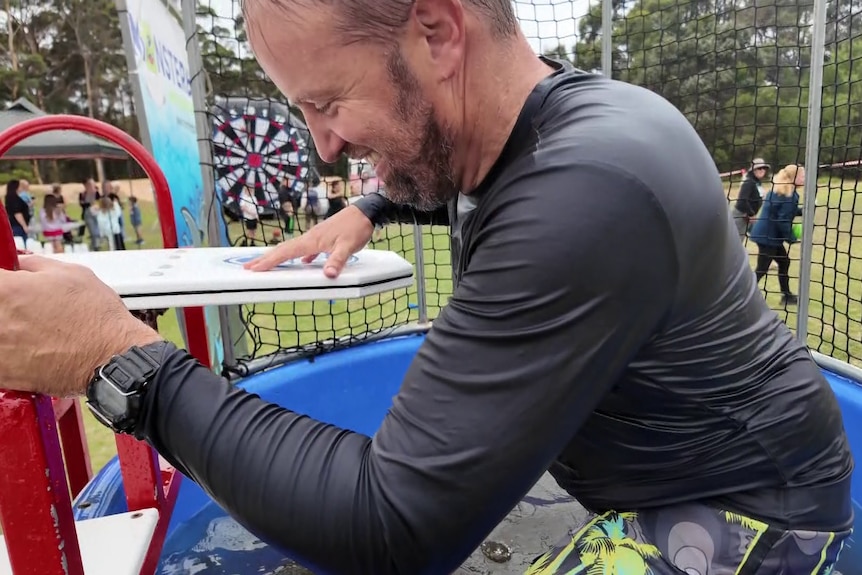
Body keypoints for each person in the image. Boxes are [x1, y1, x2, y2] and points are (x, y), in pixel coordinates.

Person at [0, 1, 852, 574]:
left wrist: (123, 359)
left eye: (327, 101)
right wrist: (372, 204)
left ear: (439, 34)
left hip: (750, 520)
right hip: (648, 483)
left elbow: (392, 527)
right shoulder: (526, 127)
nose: (323, 147)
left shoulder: (594, 184)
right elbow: (473, 178)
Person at [748, 164, 805, 307]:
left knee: (783, 262)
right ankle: (742, 297)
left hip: (768, 236)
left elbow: (786, 211)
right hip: (769, 238)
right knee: (762, 268)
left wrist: (805, 210)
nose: (804, 178)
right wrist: (791, 238)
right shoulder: (788, 196)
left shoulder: (781, 191)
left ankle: (787, 296)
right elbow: (782, 220)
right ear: (793, 177)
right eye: (802, 176)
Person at [731, 158, 769, 241]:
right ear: (753, 170)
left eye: (764, 168)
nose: (762, 170)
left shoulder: (757, 182)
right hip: (741, 216)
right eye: (759, 168)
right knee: (735, 241)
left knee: (761, 236)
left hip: (749, 217)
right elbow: (742, 201)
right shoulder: (749, 182)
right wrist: (751, 214)